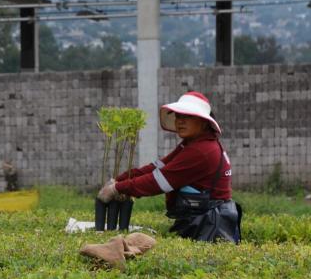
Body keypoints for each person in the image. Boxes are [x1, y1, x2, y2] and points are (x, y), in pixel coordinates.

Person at [98, 92, 242, 243]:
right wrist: (119, 179)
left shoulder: (201, 150)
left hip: (209, 223)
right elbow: (158, 166)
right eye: (178, 116)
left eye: (188, 116)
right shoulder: (193, 143)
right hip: (203, 218)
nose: (180, 121)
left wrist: (117, 188)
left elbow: (158, 181)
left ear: (204, 122)